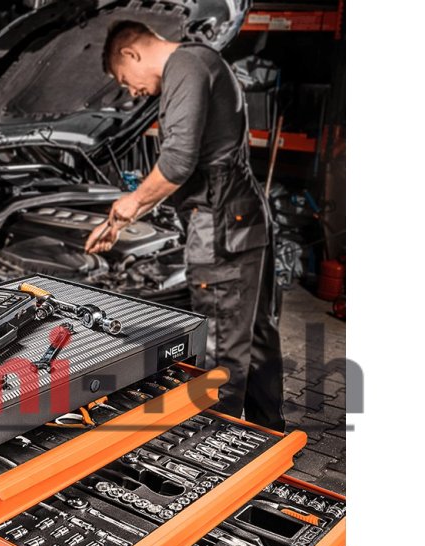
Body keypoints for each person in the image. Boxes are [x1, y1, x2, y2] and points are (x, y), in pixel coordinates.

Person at [85, 21, 285, 430]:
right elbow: (187, 166)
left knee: (221, 347)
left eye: (124, 80)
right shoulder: (200, 62)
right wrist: (126, 217)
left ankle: (216, 450)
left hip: (220, 224)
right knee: (256, 333)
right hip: (242, 215)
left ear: (131, 54)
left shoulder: (185, 65)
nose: (132, 91)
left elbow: (177, 162)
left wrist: (130, 204)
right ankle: (267, 432)